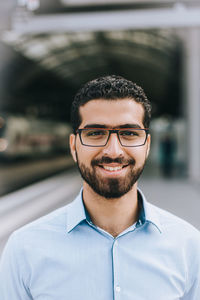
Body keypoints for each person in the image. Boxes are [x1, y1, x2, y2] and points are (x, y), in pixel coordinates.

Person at [0, 75, 200, 300]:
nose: (113, 151)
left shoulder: (189, 246)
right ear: (73, 146)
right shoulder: (24, 249)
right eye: (95, 133)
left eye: (129, 133)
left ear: (147, 145)